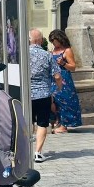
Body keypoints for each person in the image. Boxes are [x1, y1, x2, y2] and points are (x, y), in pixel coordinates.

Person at [28, 28, 62, 163]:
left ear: (29, 40)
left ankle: (25, 151)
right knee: (42, 123)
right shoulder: (47, 55)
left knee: (26, 123)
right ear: (41, 41)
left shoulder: (22, 54)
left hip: (26, 94)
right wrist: (58, 88)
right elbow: (57, 76)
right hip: (43, 94)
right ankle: (37, 153)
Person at [48, 29, 83, 133]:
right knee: (54, 101)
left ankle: (64, 125)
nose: (53, 43)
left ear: (60, 39)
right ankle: (57, 122)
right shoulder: (52, 51)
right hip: (53, 79)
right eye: (52, 41)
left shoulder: (67, 51)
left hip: (64, 80)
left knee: (65, 101)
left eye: (55, 41)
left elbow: (73, 67)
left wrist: (63, 63)